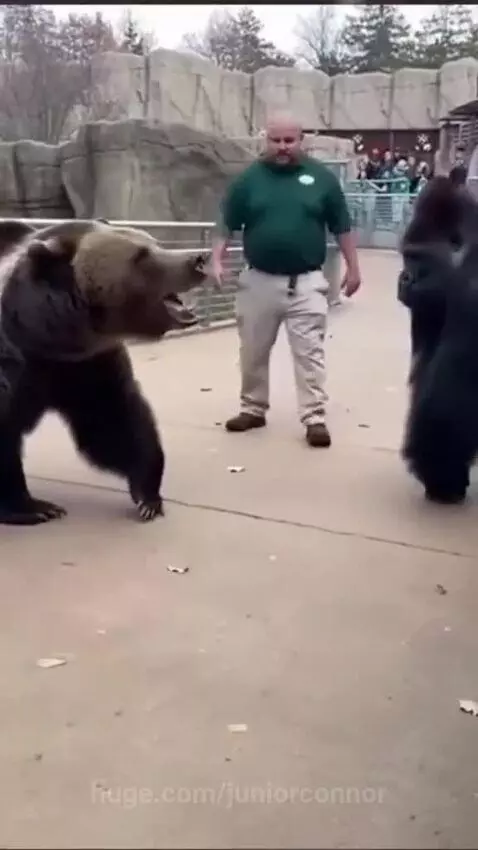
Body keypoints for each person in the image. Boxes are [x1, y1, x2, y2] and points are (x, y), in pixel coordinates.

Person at [211, 112, 361, 448]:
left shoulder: (321, 179)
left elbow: (342, 227)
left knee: (309, 352)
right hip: (258, 281)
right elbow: (226, 222)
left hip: (306, 282)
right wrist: (216, 258)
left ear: (300, 140)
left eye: (288, 140)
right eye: (275, 140)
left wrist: (353, 267)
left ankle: (314, 417)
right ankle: (252, 408)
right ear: (266, 140)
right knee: (252, 350)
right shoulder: (249, 180)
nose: (282, 147)